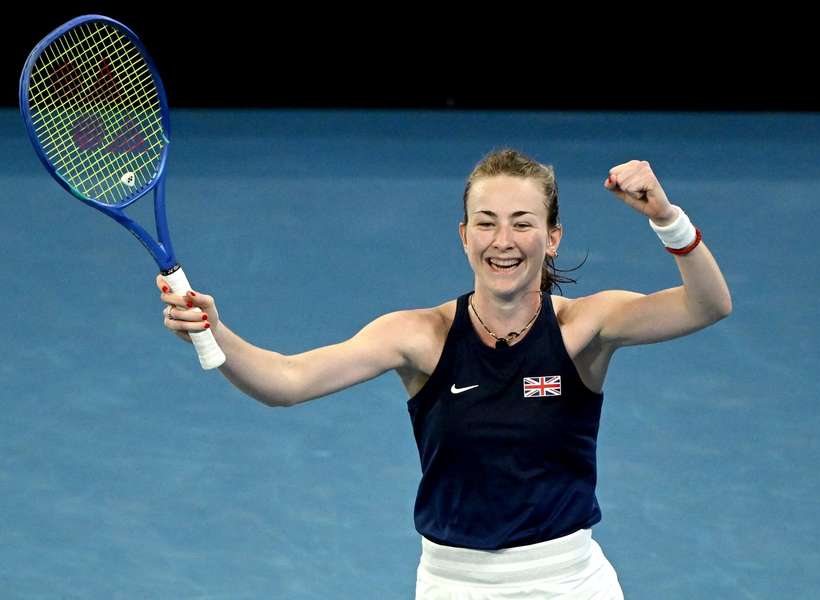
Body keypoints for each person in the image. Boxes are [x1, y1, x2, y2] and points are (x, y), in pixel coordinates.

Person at [158, 149, 732, 599]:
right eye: (485, 222)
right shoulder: (419, 337)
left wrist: (666, 217)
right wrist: (215, 331)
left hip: (568, 584)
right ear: (463, 235)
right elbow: (286, 382)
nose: (502, 241)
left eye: (522, 223)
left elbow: (707, 305)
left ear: (552, 237)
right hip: (453, 586)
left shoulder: (586, 328)